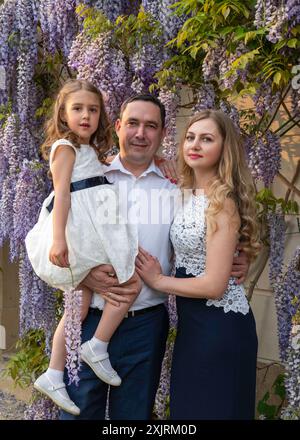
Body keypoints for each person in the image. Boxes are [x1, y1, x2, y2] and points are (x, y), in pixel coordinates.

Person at [61, 95, 251, 420]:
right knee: (76, 414)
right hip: (90, 317)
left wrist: (240, 254)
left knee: (134, 418)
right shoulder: (88, 176)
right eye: (133, 123)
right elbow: (47, 243)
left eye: (151, 126)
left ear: (162, 134)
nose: (140, 133)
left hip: (146, 326)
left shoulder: (176, 188)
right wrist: (82, 274)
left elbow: (211, 228)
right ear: (118, 127)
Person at [25, 79, 140, 416]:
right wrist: (59, 238)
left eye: (93, 110)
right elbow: (62, 195)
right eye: (78, 109)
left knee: (82, 301)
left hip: (93, 229)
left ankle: (56, 371)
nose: (86, 115)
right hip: (78, 233)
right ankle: (94, 347)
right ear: (63, 113)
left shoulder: (90, 152)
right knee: (127, 282)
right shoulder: (64, 147)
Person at [136, 110, 260, 420]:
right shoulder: (188, 193)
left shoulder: (223, 202)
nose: (195, 144)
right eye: (190, 137)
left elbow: (214, 285)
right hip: (195, 326)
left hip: (220, 328)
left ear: (224, 148)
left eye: (207, 139)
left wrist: (158, 280)